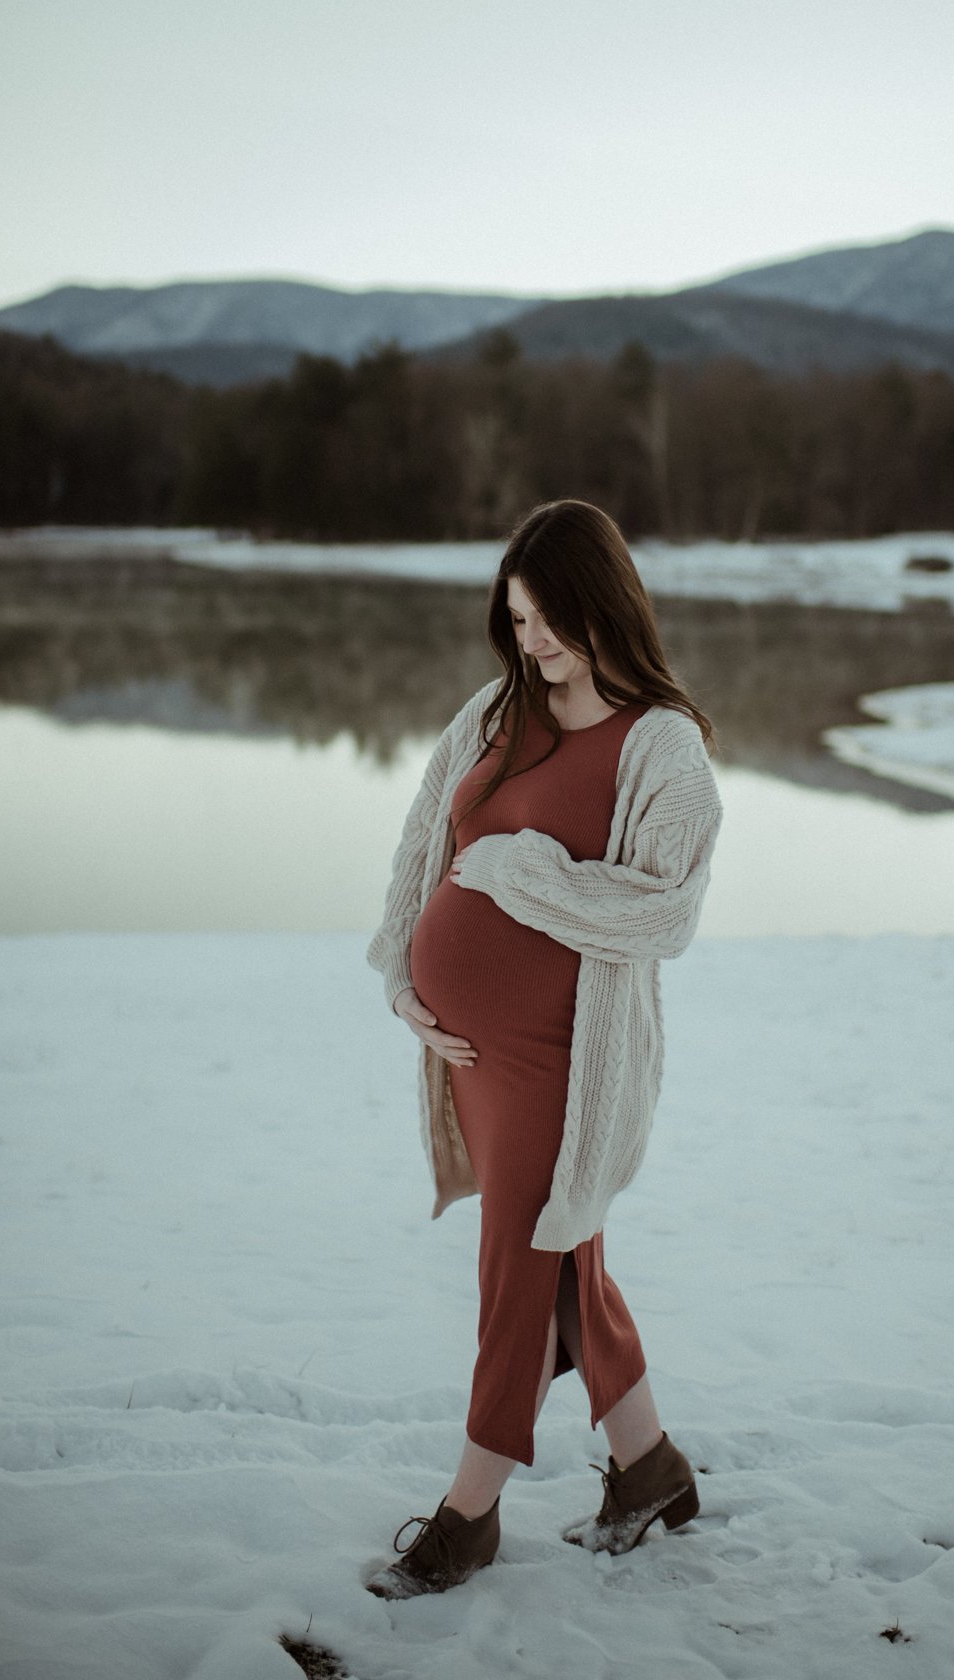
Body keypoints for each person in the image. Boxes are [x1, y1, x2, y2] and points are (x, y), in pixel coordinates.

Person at [362, 497, 724, 1599]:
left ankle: (470, 1511)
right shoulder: (497, 709)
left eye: (547, 617)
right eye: (516, 620)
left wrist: (519, 871)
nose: (532, 642)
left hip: (561, 1058)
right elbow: (429, 836)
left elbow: (662, 911)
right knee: (564, 1257)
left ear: (598, 599)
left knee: (516, 1264)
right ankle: (649, 1464)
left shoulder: (664, 746)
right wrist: (400, 969)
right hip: (473, 1055)